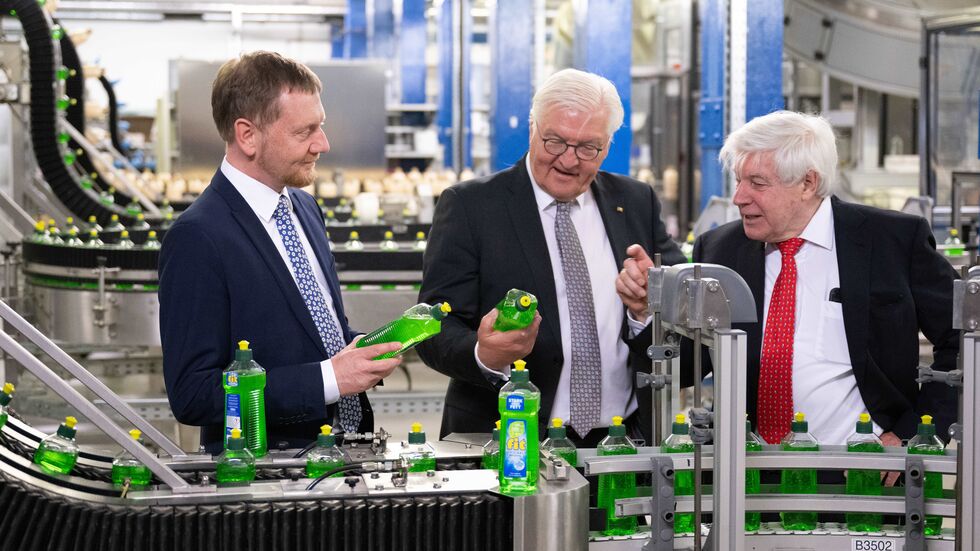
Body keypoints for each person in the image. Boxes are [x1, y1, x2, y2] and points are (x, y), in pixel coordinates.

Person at [617, 111, 958, 468]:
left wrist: (913, 433)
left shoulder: (892, 240)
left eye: (757, 183)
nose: (739, 198)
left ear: (808, 183)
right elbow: (688, 366)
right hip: (745, 474)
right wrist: (644, 312)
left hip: (864, 470)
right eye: (738, 181)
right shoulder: (719, 250)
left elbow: (962, 340)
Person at [417, 68, 684, 447]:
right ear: (532, 129)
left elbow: (681, 314)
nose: (569, 160)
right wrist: (484, 353)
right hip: (509, 440)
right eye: (555, 141)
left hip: (623, 440)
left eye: (588, 147)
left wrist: (647, 308)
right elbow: (433, 325)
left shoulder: (635, 202)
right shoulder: (471, 206)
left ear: (607, 146)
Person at [159, 51, 401, 453]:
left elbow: (316, 332)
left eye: (320, 126)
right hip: (266, 476)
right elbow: (193, 393)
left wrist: (361, 350)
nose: (322, 144)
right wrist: (329, 379)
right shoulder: (198, 238)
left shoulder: (304, 209)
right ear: (247, 135)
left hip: (344, 456)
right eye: (304, 131)